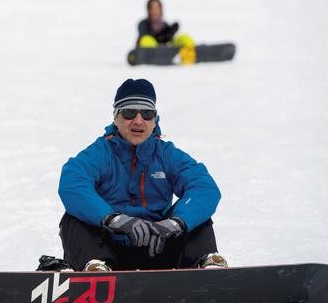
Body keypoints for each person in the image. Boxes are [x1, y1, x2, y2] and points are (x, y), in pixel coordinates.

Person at [58, 79, 227, 272]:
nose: (138, 121)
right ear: (116, 118)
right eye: (129, 113)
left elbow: (204, 187)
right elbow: (72, 183)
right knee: (74, 217)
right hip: (109, 251)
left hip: (159, 246)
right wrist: (112, 219)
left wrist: (176, 223)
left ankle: (209, 271)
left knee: (196, 216)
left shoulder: (167, 155)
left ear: (155, 120)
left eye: (147, 114)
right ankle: (95, 270)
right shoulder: (99, 153)